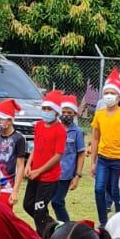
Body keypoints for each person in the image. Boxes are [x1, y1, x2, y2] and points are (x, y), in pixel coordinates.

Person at [89, 72, 120, 223]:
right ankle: (103, 222)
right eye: (106, 93)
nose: (109, 96)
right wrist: (93, 162)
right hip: (102, 159)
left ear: (119, 97)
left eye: (112, 93)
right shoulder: (99, 115)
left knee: (116, 192)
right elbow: (95, 138)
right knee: (99, 189)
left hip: (119, 159)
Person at [23, 90, 68, 230]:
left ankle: (43, 238)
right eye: (44, 108)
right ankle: (53, 226)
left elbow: (57, 155)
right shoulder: (39, 126)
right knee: (28, 205)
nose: (46, 111)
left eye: (50, 109)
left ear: (56, 112)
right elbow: (36, 147)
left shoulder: (60, 130)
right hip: (34, 174)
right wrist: (28, 165)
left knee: (39, 210)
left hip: (48, 178)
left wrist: (39, 171)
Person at [53, 96, 86, 222]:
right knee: (51, 202)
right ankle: (60, 225)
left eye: (69, 113)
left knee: (57, 202)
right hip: (51, 172)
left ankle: (67, 226)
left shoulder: (77, 132)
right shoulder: (54, 128)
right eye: (63, 112)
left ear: (75, 114)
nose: (66, 115)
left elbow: (81, 154)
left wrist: (77, 175)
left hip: (65, 175)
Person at [0, 99, 28, 205]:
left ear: (10, 121)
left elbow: (20, 166)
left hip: (7, 186)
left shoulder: (19, 138)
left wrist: (15, 191)